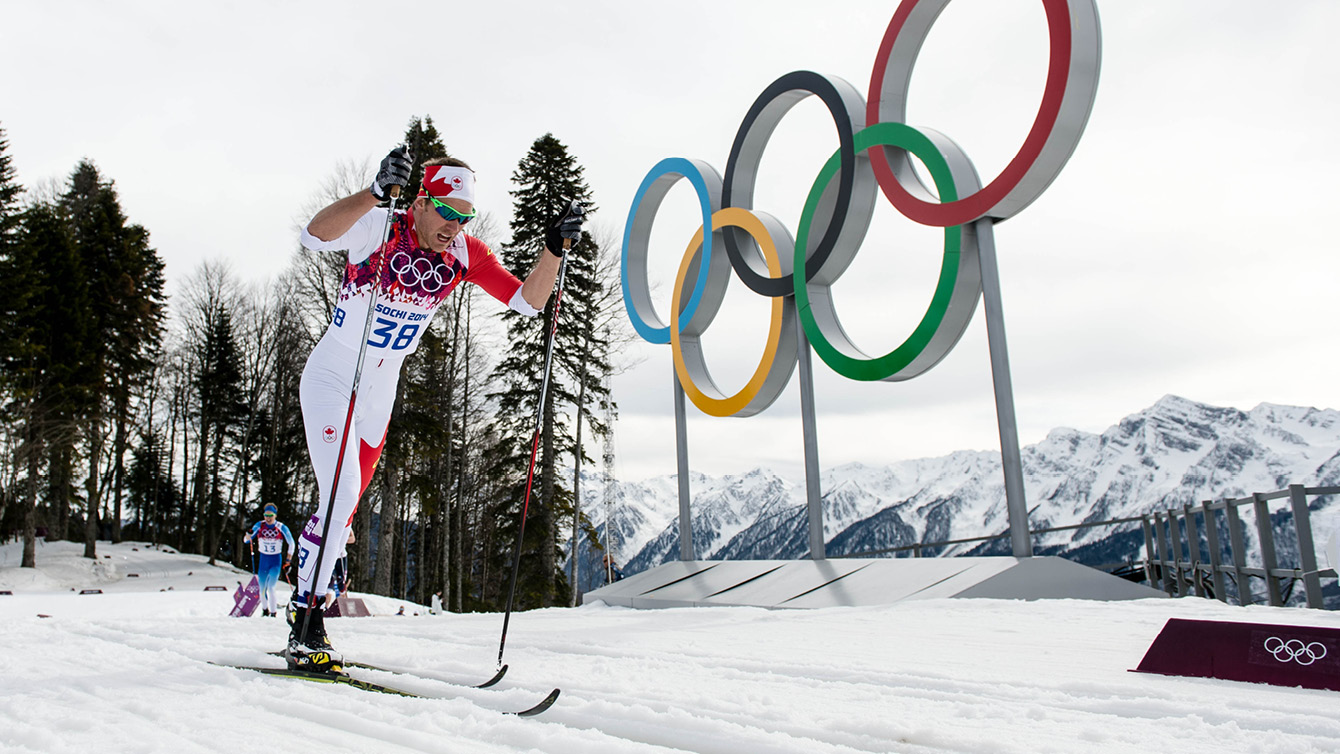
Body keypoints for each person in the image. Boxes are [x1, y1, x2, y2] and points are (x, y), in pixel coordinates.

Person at [286, 145, 584, 672]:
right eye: (447, 213)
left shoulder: (465, 252)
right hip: (333, 378)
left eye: (465, 217)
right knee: (343, 492)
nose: (455, 227)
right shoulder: (378, 225)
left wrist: (553, 250)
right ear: (421, 202)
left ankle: (317, 568)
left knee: (345, 508)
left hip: (379, 392)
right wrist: (372, 193)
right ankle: (306, 620)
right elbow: (314, 235)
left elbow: (528, 302)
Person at [243, 504, 295, 617]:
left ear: (275, 515)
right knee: (262, 588)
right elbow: (246, 540)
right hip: (263, 561)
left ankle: (273, 612)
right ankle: (265, 610)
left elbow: (291, 543)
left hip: (275, 561)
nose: (268, 518)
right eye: (266, 515)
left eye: (271, 515)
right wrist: (248, 535)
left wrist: (288, 560)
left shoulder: (281, 527)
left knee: (271, 587)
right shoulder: (259, 525)